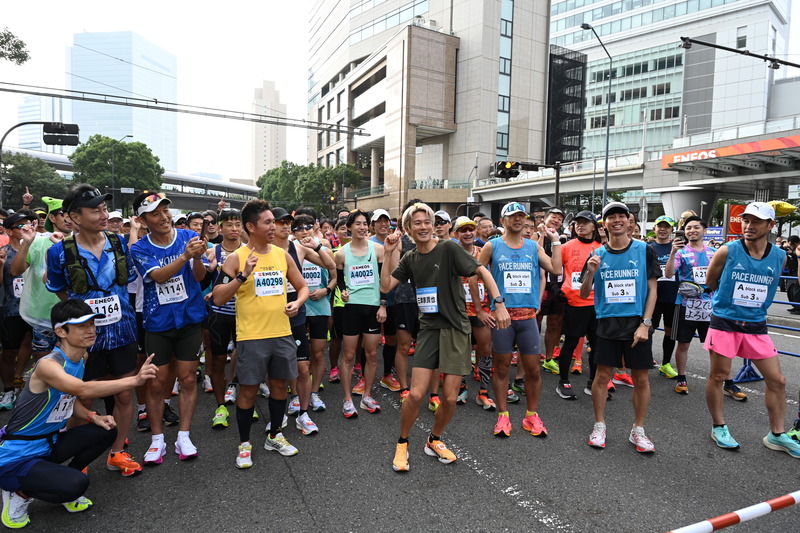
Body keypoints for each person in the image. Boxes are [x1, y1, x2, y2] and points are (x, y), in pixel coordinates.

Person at [0, 299, 157, 529]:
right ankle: (19, 492)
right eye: (82, 326)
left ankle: (52, 480)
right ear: (60, 331)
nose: (91, 330)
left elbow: (68, 400)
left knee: (106, 431)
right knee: (78, 483)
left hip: (48, 444)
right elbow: (81, 390)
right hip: (17, 456)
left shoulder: (81, 358)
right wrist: (134, 380)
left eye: (92, 324)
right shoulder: (48, 365)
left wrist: (93, 417)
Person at [381, 203, 509, 471]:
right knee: (415, 394)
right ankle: (402, 443)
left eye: (427, 221)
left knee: (450, 398)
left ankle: (434, 439)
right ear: (408, 229)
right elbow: (386, 285)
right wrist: (388, 252)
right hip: (428, 330)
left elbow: (481, 271)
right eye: (417, 223)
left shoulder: (449, 248)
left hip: (456, 329)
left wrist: (498, 304)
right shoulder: (411, 258)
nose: (424, 226)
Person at [45, 185, 142, 476]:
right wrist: (84, 312)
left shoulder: (118, 242)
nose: (103, 214)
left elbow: (129, 281)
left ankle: (117, 452)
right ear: (74, 216)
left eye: (103, 209)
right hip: (84, 338)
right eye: (95, 210)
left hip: (123, 329)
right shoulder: (58, 252)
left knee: (125, 394)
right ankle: (79, 459)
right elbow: (59, 289)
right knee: (82, 398)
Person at [212, 199, 308, 468]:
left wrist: (297, 303)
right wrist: (242, 276)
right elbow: (217, 298)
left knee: (279, 387)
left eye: (273, 222)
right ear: (251, 227)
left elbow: (302, 287)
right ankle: (244, 444)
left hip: (281, 333)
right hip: (252, 337)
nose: (273, 227)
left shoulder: (282, 254)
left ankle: (275, 435)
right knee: (249, 391)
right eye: (267, 222)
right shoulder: (236, 257)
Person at [703, 202, 800, 456]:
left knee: (777, 380)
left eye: (756, 221)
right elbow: (711, 281)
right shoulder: (727, 250)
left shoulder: (779, 256)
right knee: (720, 375)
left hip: (756, 326)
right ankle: (719, 426)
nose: (748, 226)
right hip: (725, 322)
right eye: (746, 220)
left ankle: (776, 434)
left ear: (770, 225)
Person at [130, 192, 210, 465]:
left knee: (188, 378)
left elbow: (199, 279)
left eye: (165, 210)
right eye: (155, 213)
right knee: (156, 383)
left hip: (189, 319)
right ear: (143, 220)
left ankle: (184, 436)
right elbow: (158, 277)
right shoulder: (139, 248)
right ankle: (157, 439)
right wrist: (186, 256)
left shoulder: (188, 236)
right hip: (158, 322)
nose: (164, 217)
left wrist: (197, 258)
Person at [580, 201, 661, 453]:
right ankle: (599, 425)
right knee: (602, 376)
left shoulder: (643, 250)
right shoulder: (597, 255)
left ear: (630, 221)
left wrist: (646, 324)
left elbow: (652, 290)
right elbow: (583, 294)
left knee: (641, 378)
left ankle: (638, 429)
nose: (616, 220)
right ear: (603, 224)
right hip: (606, 323)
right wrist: (591, 273)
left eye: (621, 216)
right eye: (610, 217)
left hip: (636, 323)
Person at [477, 202, 562, 438]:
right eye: (512, 216)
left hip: (527, 318)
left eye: (521, 216)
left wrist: (555, 241)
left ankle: (531, 415)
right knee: (502, 368)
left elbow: (556, 269)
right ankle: (503, 416)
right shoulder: (492, 246)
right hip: (502, 318)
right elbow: (474, 277)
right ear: (503, 221)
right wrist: (481, 309)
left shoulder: (533, 248)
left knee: (534, 370)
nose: (517, 220)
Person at [271, 208, 333, 435]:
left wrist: (316, 246)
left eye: (288, 222)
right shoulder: (263, 250)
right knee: (276, 368)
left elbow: (329, 265)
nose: (285, 226)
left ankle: (303, 412)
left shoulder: (297, 247)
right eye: (280, 223)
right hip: (271, 314)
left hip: (296, 308)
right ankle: (284, 408)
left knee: (303, 366)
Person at [11, 197, 73, 383]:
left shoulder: (83, 243)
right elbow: (15, 270)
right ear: (52, 218)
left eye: (72, 213)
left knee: (73, 363)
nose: (69, 218)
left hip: (75, 316)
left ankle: (71, 404)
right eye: (64, 214)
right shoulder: (37, 242)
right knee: (44, 364)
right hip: (43, 317)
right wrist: (27, 243)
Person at [335, 210, 388, 418]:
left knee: (372, 354)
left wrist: (383, 305)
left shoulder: (378, 250)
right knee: (348, 355)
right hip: (352, 308)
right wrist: (343, 291)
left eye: (365, 223)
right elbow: (340, 279)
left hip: (373, 307)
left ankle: (367, 395)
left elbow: (384, 280)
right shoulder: (342, 253)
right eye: (357, 223)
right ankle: (347, 399)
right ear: (349, 227)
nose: (362, 227)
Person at [556, 211, 602, 400]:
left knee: (597, 346)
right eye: (577, 223)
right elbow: (555, 269)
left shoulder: (601, 248)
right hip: (574, 302)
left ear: (594, 227)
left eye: (585, 223)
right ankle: (563, 381)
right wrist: (558, 289)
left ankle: (593, 381)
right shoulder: (566, 247)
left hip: (596, 304)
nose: (580, 226)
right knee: (571, 342)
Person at [205, 209, 244, 429]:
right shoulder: (213, 251)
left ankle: (245, 401)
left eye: (237, 224)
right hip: (219, 313)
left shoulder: (250, 251)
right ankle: (220, 406)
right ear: (220, 227)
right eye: (229, 224)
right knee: (218, 360)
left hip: (245, 314)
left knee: (246, 359)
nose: (234, 229)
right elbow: (202, 280)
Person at [453, 216, 496, 410]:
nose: (468, 233)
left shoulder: (483, 253)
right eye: (463, 230)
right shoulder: (451, 254)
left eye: (471, 229)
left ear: (476, 231)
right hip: (459, 311)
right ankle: (461, 388)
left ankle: (483, 392)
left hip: (482, 311)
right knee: (461, 351)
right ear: (456, 234)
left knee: (485, 350)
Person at [0, 212, 37, 409]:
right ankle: (7, 390)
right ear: (8, 231)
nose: (26, 227)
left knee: (33, 345)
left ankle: (21, 378)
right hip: (12, 310)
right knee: (8, 352)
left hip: (34, 307)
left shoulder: (38, 247)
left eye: (29, 223)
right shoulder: (3, 252)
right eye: (20, 226)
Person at [369, 209, 401, 392]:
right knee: (369, 342)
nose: (383, 224)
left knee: (391, 338)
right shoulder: (367, 243)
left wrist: (393, 248)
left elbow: (396, 270)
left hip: (391, 297)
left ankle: (387, 374)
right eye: (378, 221)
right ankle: (365, 377)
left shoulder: (395, 242)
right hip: (371, 297)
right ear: (372, 224)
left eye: (385, 221)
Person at [649, 215, 679, 380]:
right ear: (654, 229)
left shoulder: (678, 248)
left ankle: (666, 364)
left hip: (673, 297)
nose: (662, 229)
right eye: (659, 226)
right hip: (652, 298)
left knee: (670, 332)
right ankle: (646, 359)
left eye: (666, 227)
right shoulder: (648, 248)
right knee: (648, 329)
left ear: (671, 230)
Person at [538, 208, 566, 377]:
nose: (556, 220)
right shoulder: (537, 234)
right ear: (546, 218)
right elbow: (536, 252)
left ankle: (549, 358)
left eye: (559, 218)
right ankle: (532, 355)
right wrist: (542, 234)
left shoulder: (564, 238)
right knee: (536, 323)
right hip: (541, 286)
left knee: (555, 324)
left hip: (558, 286)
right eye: (553, 217)